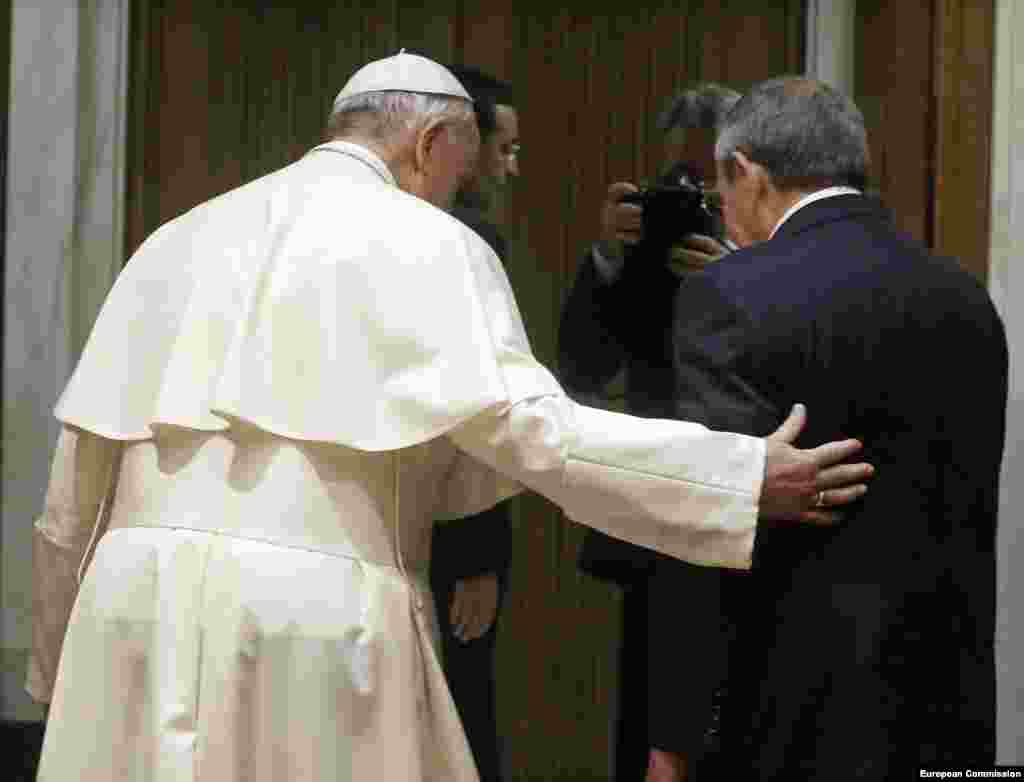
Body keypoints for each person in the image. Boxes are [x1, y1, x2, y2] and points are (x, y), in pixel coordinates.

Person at [27, 54, 870, 781]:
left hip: (129, 612)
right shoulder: (428, 241)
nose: (466, 196)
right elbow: (535, 434)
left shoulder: (172, 239)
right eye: (465, 173)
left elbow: (74, 493)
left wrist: (57, 667)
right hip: (313, 620)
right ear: (430, 145)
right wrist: (738, 476)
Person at [666, 76, 1006, 779]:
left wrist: (673, 734)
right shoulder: (966, 298)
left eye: (718, 188)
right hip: (949, 708)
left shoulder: (727, 295)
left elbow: (707, 525)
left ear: (745, 172)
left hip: (787, 714)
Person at [557, 83, 741, 782]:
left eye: (705, 182)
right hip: (655, 520)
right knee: (645, 714)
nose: (687, 196)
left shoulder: (770, 255)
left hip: (747, 512)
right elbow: (581, 366)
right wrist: (608, 258)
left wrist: (742, 279)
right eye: (676, 179)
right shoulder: (641, 260)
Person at [428, 64, 519, 782]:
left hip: (406, 520)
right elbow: (476, 402)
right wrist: (480, 553)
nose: (514, 168)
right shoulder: (464, 239)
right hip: (453, 529)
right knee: (461, 714)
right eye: (505, 149)